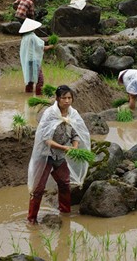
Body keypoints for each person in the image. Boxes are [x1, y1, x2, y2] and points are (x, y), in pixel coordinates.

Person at [27, 85, 91, 224]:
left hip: (60, 156)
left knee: (64, 183)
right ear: (57, 99)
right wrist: (64, 147)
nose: (67, 101)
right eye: (64, 98)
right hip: (45, 155)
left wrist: (73, 147)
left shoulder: (73, 114)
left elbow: (76, 133)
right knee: (38, 188)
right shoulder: (49, 114)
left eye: (69, 98)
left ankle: (65, 212)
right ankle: (31, 219)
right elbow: (46, 139)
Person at [19, 18, 55, 95]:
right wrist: (51, 46)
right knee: (40, 78)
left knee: (30, 77)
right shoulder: (32, 36)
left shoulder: (24, 37)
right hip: (34, 60)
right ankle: (39, 94)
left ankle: (28, 93)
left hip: (27, 60)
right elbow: (42, 47)